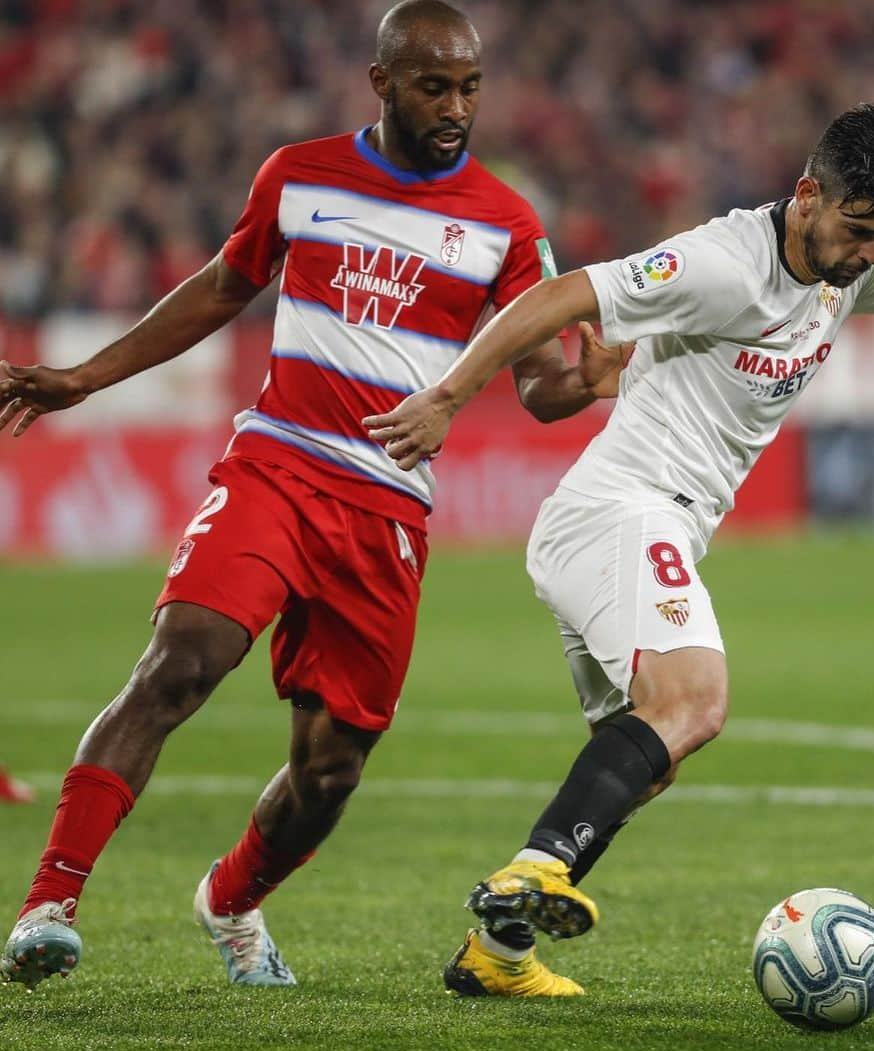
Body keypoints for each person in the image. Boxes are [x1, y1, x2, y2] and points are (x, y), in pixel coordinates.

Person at [364, 103, 874, 996]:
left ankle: (497, 954)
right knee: (696, 703)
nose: (869, 253)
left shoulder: (858, 263)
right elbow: (560, 295)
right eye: (859, 231)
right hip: (623, 511)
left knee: (640, 766)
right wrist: (447, 396)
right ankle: (533, 875)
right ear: (808, 194)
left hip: (645, 523)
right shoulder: (722, 266)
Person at [0, 0, 622, 994]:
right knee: (179, 664)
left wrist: (590, 378)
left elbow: (540, 383)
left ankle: (233, 899)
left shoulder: (506, 222)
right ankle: (48, 904)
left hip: (385, 516)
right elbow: (217, 288)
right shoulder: (298, 176)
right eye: (433, 85)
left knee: (331, 770)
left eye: (469, 86)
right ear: (381, 83)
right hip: (277, 469)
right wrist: (83, 377)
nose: (456, 105)